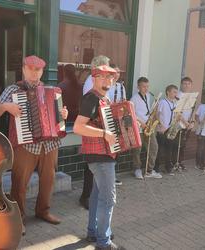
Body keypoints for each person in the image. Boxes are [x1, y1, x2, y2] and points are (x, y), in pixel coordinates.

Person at [0, 55, 68, 227]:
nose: (34, 73)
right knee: (19, 183)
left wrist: (63, 116)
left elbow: (59, 118)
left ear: (42, 71)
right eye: (30, 69)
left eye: (37, 70)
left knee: (48, 180)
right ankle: (19, 218)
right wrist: (5, 107)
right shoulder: (13, 90)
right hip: (25, 145)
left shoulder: (52, 91)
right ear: (23, 69)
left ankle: (43, 211)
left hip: (50, 144)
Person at [73, 60, 124, 250]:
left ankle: (93, 232)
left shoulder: (105, 98)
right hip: (99, 157)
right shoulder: (91, 98)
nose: (107, 79)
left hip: (104, 155)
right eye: (102, 76)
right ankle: (104, 241)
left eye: (110, 76)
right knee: (108, 199)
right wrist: (104, 134)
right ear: (94, 78)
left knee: (96, 196)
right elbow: (78, 127)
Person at [130, 77, 162, 179]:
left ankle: (149, 170)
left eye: (147, 86)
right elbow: (131, 114)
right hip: (138, 127)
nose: (146, 88)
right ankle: (137, 169)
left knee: (154, 147)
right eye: (144, 86)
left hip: (148, 126)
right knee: (137, 150)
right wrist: (141, 123)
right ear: (138, 87)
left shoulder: (148, 96)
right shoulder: (134, 98)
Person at [154, 84, 179, 175]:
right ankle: (155, 168)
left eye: (176, 92)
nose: (176, 94)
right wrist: (160, 125)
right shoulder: (162, 102)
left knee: (169, 149)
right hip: (162, 129)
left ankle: (168, 168)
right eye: (174, 92)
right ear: (168, 92)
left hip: (171, 129)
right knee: (159, 149)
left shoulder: (175, 103)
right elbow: (156, 114)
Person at [177, 77, 196, 170]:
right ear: (181, 84)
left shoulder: (192, 96)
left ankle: (180, 162)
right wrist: (185, 123)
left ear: (191, 85)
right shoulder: (178, 95)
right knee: (178, 145)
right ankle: (175, 163)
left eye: (188, 83)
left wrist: (192, 122)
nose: (186, 85)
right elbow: (177, 112)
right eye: (184, 83)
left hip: (188, 124)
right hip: (179, 124)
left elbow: (192, 110)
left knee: (183, 146)